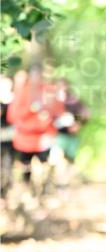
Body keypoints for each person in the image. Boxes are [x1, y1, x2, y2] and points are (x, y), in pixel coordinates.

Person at [8, 64, 64, 193]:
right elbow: (14, 116)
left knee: (45, 165)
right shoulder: (22, 92)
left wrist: (49, 115)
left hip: (43, 137)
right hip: (24, 138)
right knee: (25, 168)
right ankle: (28, 193)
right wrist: (31, 110)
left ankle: (44, 192)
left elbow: (58, 110)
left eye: (40, 75)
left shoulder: (48, 90)